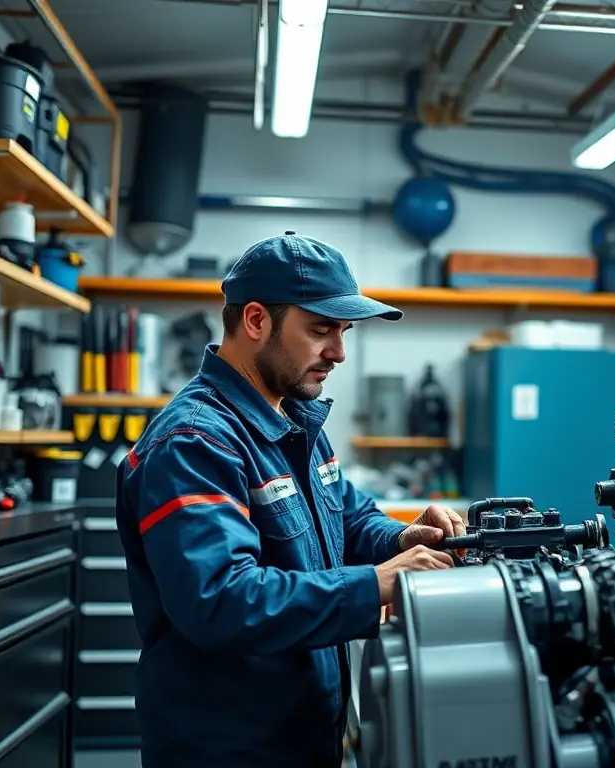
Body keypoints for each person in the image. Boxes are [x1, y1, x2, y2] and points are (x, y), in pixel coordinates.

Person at [115, 232, 467, 768]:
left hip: (302, 731)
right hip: (229, 747)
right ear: (256, 321)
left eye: (344, 331)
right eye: (321, 329)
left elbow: (345, 520)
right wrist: (378, 583)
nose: (339, 352)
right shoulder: (194, 442)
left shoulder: (294, 419)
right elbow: (220, 600)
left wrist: (402, 537)